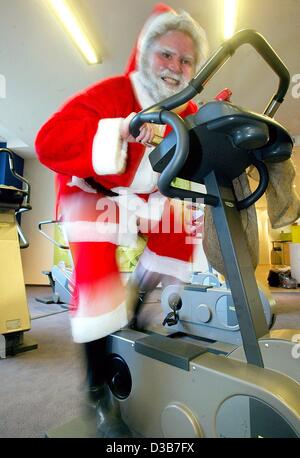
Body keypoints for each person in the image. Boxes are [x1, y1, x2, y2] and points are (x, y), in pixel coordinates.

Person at [35, 3, 209, 437]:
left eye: (186, 60)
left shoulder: (184, 111)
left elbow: (194, 159)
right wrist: (120, 129)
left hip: (137, 198)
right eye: (166, 55)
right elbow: (47, 142)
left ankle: (131, 309)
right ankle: (97, 392)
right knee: (97, 280)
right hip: (87, 189)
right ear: (146, 52)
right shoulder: (112, 91)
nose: (175, 66)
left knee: (182, 228)